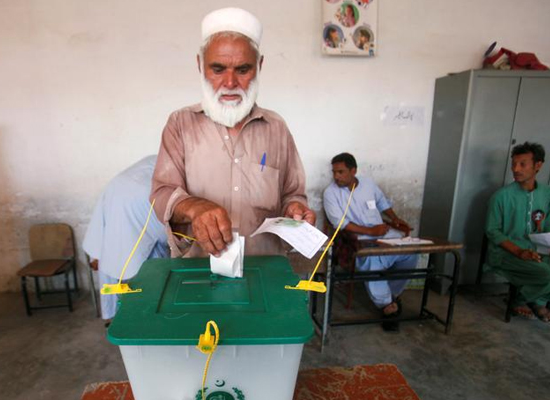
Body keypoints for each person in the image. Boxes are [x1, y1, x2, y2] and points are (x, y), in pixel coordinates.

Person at [150, 7, 315, 259]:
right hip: (199, 273)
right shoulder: (180, 124)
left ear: (259, 66)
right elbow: (161, 193)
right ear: (199, 65)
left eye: (242, 70)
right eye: (217, 69)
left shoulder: (276, 127)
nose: (229, 83)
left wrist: (295, 208)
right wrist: (193, 207)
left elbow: (293, 193)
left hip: (265, 271)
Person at [323, 153, 417, 332]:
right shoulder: (331, 193)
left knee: (410, 252)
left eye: (341, 172)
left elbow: (382, 203)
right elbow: (340, 224)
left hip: (383, 234)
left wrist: (395, 220)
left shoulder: (368, 184)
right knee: (372, 259)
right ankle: (387, 307)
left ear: (353, 171)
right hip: (359, 238)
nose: (336, 176)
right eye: (334, 172)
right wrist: (370, 231)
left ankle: (392, 296)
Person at [83, 155, 169, 325]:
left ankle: (111, 316)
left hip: (118, 197)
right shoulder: (164, 178)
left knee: (111, 259)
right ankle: (148, 317)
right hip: (138, 202)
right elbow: (170, 237)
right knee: (154, 271)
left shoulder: (158, 159)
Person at [485, 142, 550, 321]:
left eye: (522, 164)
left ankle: (536, 299)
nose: (516, 169)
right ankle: (522, 299)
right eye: (514, 164)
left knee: (545, 269)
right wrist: (519, 251)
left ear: (538, 165)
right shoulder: (501, 196)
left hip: (538, 250)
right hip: (506, 253)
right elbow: (492, 231)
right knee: (546, 274)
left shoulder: (547, 194)